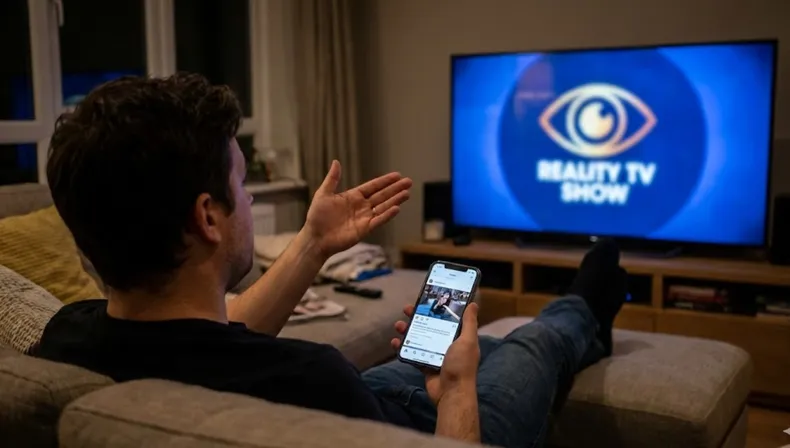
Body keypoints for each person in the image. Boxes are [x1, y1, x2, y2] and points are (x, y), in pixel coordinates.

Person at [36, 73, 627, 448]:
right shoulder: (307, 375)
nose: (249, 200)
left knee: (479, 343)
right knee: (533, 343)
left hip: (371, 406)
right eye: (241, 183)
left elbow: (211, 340)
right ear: (207, 218)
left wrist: (315, 241)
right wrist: (456, 389)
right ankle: (585, 304)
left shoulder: (67, 337)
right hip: (443, 428)